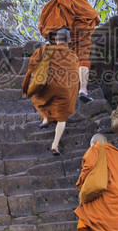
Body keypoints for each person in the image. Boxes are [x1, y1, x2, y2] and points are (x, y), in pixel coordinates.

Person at [21, 27, 79, 155]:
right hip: (65, 90)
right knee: (62, 118)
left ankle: (46, 117)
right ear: (69, 41)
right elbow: (75, 78)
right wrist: (71, 95)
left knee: (38, 98)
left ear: (56, 39)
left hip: (47, 86)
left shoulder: (44, 49)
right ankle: (55, 144)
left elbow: (31, 70)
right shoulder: (73, 56)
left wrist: (25, 88)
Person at [38, 0, 100, 102]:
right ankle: (83, 90)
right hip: (81, 35)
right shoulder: (81, 2)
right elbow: (93, 18)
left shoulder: (56, 3)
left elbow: (47, 24)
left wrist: (55, 38)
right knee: (83, 60)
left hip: (62, 36)